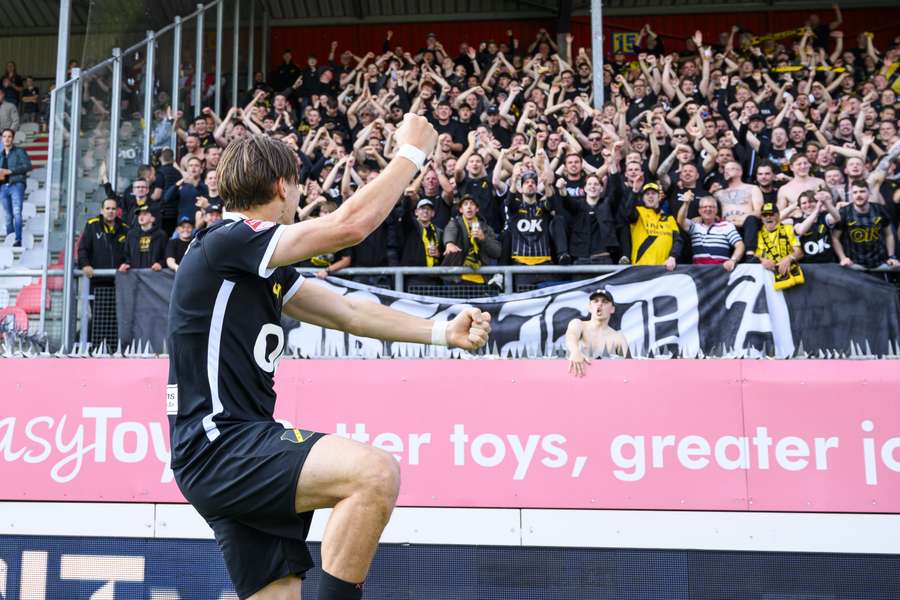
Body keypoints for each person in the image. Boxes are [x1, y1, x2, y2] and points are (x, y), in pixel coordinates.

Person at [167, 121, 492, 600]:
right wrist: (411, 155)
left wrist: (441, 331)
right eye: (298, 185)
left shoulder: (251, 261)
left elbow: (348, 311)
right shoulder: (230, 240)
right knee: (373, 474)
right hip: (224, 444)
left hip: (230, 451)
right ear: (283, 187)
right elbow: (348, 226)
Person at [77, 197, 128, 350]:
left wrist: (128, 263)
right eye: (107, 208)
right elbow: (82, 249)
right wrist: (85, 265)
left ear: (117, 211)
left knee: (115, 317)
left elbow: (129, 252)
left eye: (113, 209)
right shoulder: (92, 225)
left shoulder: (125, 228)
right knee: (99, 316)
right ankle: (98, 349)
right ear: (102, 210)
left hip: (118, 281)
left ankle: (113, 349)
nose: (110, 211)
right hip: (97, 281)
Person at [832, 180, 899, 270]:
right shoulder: (844, 212)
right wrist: (843, 258)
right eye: (855, 192)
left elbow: (889, 234)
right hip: (854, 264)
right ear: (852, 195)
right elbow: (835, 238)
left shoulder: (879, 209)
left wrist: (891, 256)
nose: (858, 195)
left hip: (880, 262)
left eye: (862, 191)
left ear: (869, 193)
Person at [565, 288, 628, 377]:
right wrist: (575, 351)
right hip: (577, 378)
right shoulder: (578, 324)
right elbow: (571, 336)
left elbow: (630, 366)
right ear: (590, 307)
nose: (600, 304)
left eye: (605, 301)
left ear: (612, 309)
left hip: (605, 383)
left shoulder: (618, 337)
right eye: (596, 301)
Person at [676, 191, 744, 270]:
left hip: (721, 271)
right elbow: (680, 220)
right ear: (699, 211)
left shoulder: (727, 226)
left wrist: (733, 260)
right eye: (704, 207)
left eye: (711, 207)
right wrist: (686, 203)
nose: (708, 209)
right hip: (698, 272)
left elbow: (740, 245)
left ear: (716, 210)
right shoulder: (695, 226)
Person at [442, 194, 502, 284]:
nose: (469, 207)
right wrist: (449, 243)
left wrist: (484, 239)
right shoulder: (454, 223)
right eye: (465, 204)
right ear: (461, 210)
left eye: (472, 204)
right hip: (457, 280)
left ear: (477, 209)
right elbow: (450, 231)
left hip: (481, 279)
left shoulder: (486, 228)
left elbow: (497, 252)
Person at [755, 202, 804, 285]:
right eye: (765, 215)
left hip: (791, 273)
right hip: (769, 276)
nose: (768, 217)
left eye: (771, 214)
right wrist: (763, 261)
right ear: (761, 218)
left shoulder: (788, 228)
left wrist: (789, 258)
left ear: (778, 215)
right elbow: (757, 255)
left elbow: (800, 252)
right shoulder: (758, 234)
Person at [0, 128, 31, 246]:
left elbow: (27, 166)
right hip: (3, 186)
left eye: (9, 136)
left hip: (17, 184)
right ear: (2, 139)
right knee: (8, 215)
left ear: (12, 138)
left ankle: (18, 239)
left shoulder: (19, 151)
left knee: (17, 212)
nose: (7, 139)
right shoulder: (0, 154)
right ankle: (10, 239)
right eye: (4, 136)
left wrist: (10, 171)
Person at [119, 205, 166, 272]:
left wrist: (160, 264)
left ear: (153, 218)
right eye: (139, 214)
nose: (141, 216)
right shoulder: (131, 234)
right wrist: (126, 264)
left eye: (144, 214)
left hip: (154, 275)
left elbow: (165, 255)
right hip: (135, 275)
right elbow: (126, 254)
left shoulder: (161, 235)